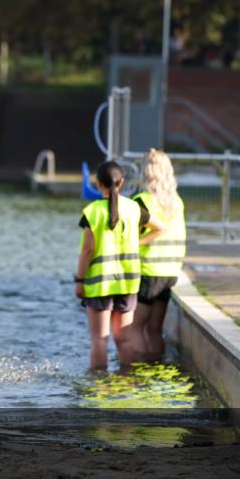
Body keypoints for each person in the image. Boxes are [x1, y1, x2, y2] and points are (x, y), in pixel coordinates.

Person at [74, 161, 162, 372]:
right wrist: (138, 243)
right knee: (124, 339)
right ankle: (127, 379)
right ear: (121, 183)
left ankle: (99, 384)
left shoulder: (92, 212)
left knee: (99, 340)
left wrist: (79, 280)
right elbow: (160, 228)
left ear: (98, 184)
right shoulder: (133, 209)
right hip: (128, 283)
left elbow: (87, 250)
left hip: (99, 284)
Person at [132, 149, 186, 363]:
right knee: (154, 329)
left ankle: (137, 370)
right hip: (170, 272)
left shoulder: (142, 201)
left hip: (148, 271)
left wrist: (134, 245)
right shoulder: (176, 202)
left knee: (135, 327)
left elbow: (139, 234)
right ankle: (156, 367)